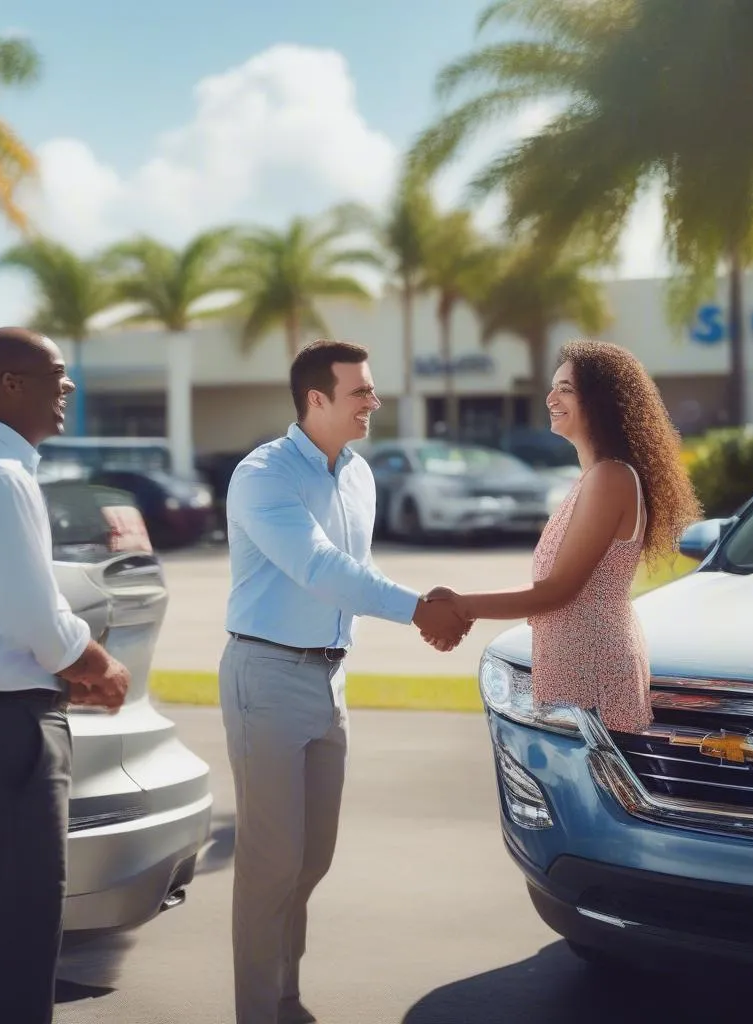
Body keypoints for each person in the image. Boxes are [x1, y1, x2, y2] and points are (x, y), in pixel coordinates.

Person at [220, 338, 468, 1024]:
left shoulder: (359, 474)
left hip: (330, 682)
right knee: (270, 868)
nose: (373, 402)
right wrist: (421, 608)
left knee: (310, 861)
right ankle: (261, 1012)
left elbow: (351, 577)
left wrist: (420, 605)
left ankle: (285, 997)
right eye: (360, 391)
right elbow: (323, 568)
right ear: (316, 399)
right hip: (265, 676)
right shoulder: (263, 475)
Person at [0, 327, 131, 1024]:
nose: (68, 388)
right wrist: (101, 668)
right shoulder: (2, 478)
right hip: (9, 735)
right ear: (10, 384)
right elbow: (33, 617)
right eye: (55, 375)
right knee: (19, 935)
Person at [426, 340, 702, 733]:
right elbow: (554, 587)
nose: (550, 398)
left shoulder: (610, 478)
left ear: (602, 401)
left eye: (566, 389)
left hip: (595, 670)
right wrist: (464, 607)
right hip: (580, 667)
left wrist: (462, 606)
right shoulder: (594, 478)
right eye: (553, 387)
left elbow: (558, 590)